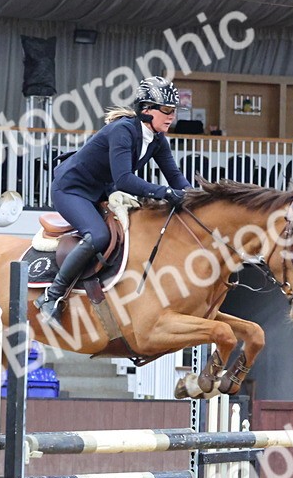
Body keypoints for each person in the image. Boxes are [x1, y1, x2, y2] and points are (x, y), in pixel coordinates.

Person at [35, 76, 190, 324]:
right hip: (71, 189)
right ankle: (52, 296)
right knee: (98, 236)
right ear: (146, 110)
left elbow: (175, 177)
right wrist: (166, 194)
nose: (172, 116)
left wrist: (196, 198)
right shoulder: (123, 131)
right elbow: (125, 180)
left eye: (174, 111)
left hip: (99, 191)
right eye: (167, 110)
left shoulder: (157, 139)